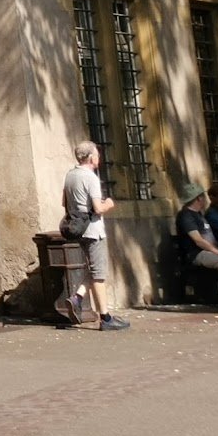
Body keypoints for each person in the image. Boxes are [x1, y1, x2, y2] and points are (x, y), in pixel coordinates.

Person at [60, 141, 127, 330]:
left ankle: (77, 297)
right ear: (91, 157)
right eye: (97, 154)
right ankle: (105, 318)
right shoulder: (90, 178)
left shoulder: (70, 175)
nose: (99, 158)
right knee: (99, 274)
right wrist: (109, 204)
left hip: (78, 228)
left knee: (95, 269)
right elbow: (98, 208)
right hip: (93, 230)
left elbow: (63, 201)